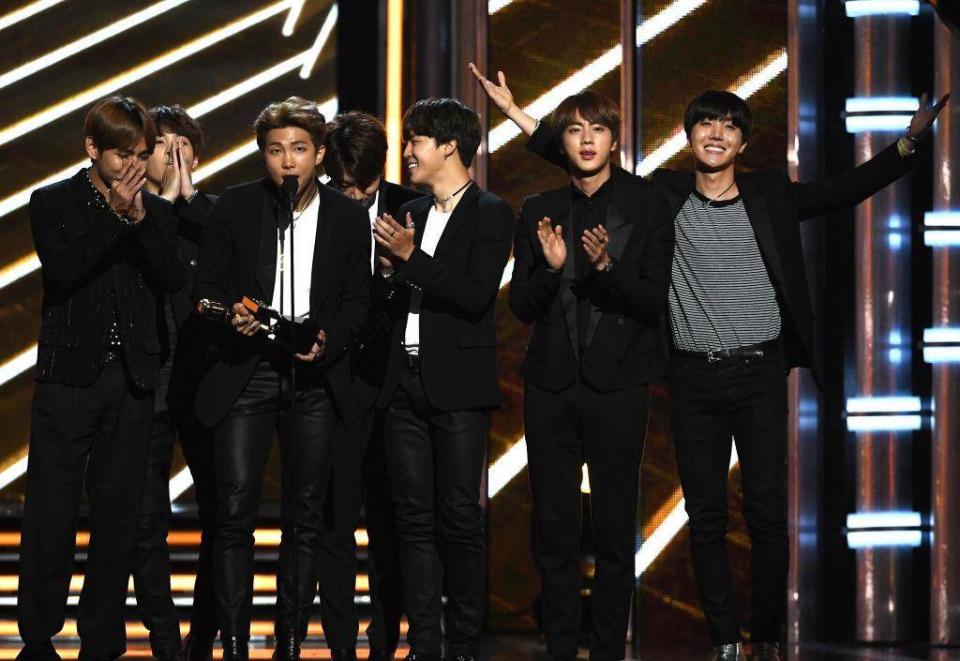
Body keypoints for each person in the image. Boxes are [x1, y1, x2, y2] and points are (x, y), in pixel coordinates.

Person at [470, 64, 949, 661]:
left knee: (769, 514)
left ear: (744, 143)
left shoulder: (770, 193)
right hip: (693, 374)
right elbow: (587, 163)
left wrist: (907, 144)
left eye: (728, 126)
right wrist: (520, 116)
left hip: (758, 372)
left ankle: (768, 636)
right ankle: (724, 640)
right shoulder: (663, 196)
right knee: (705, 517)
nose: (716, 134)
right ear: (689, 136)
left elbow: (842, 191)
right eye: (704, 124)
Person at [192, 96, 370, 660]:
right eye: (275, 151)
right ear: (262, 155)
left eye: (298, 150)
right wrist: (232, 315)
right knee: (235, 509)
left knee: (305, 512)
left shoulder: (346, 215)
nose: (287, 162)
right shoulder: (236, 208)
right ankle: (236, 642)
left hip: (311, 376)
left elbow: (356, 298)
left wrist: (328, 339)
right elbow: (205, 290)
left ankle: (290, 639)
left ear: (319, 154)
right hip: (246, 374)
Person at [18, 95, 183, 660]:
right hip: (68, 379)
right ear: (93, 149)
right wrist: (112, 212)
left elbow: (169, 278)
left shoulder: (154, 212)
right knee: (51, 512)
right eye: (121, 156)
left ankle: (102, 638)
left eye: (141, 154)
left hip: (133, 382)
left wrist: (137, 215)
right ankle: (38, 636)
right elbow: (65, 271)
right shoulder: (54, 202)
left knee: (118, 517)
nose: (134, 167)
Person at [508, 90, 672, 661]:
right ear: (563, 141)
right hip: (550, 387)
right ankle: (558, 648)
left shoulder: (649, 203)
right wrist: (552, 272)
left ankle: (607, 650)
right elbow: (521, 308)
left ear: (613, 137)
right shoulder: (537, 208)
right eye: (574, 130)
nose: (585, 139)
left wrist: (605, 269)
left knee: (612, 530)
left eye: (596, 129)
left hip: (619, 386)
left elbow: (654, 301)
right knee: (553, 531)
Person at [372, 98, 514, 661]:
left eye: (416, 141)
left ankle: (464, 645)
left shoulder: (491, 212)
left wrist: (409, 259)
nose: (407, 151)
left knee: (459, 517)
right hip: (400, 384)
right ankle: (423, 643)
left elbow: (475, 294)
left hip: (456, 385)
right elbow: (389, 298)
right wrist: (387, 273)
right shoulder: (408, 209)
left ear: (448, 146)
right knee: (411, 519)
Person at [317, 110, 423, 661]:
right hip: (330, 384)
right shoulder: (316, 208)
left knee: (391, 523)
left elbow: (428, 294)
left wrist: (392, 271)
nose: (353, 198)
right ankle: (340, 645)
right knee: (333, 522)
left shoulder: (415, 209)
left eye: (364, 188)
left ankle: (385, 640)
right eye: (342, 186)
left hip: (393, 390)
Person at [136, 103, 219, 661]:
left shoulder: (219, 213)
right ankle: (165, 640)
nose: (171, 153)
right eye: (160, 143)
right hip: (145, 385)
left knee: (221, 519)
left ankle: (203, 637)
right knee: (146, 523)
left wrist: (187, 201)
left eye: (181, 143)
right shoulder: (130, 215)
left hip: (208, 383)